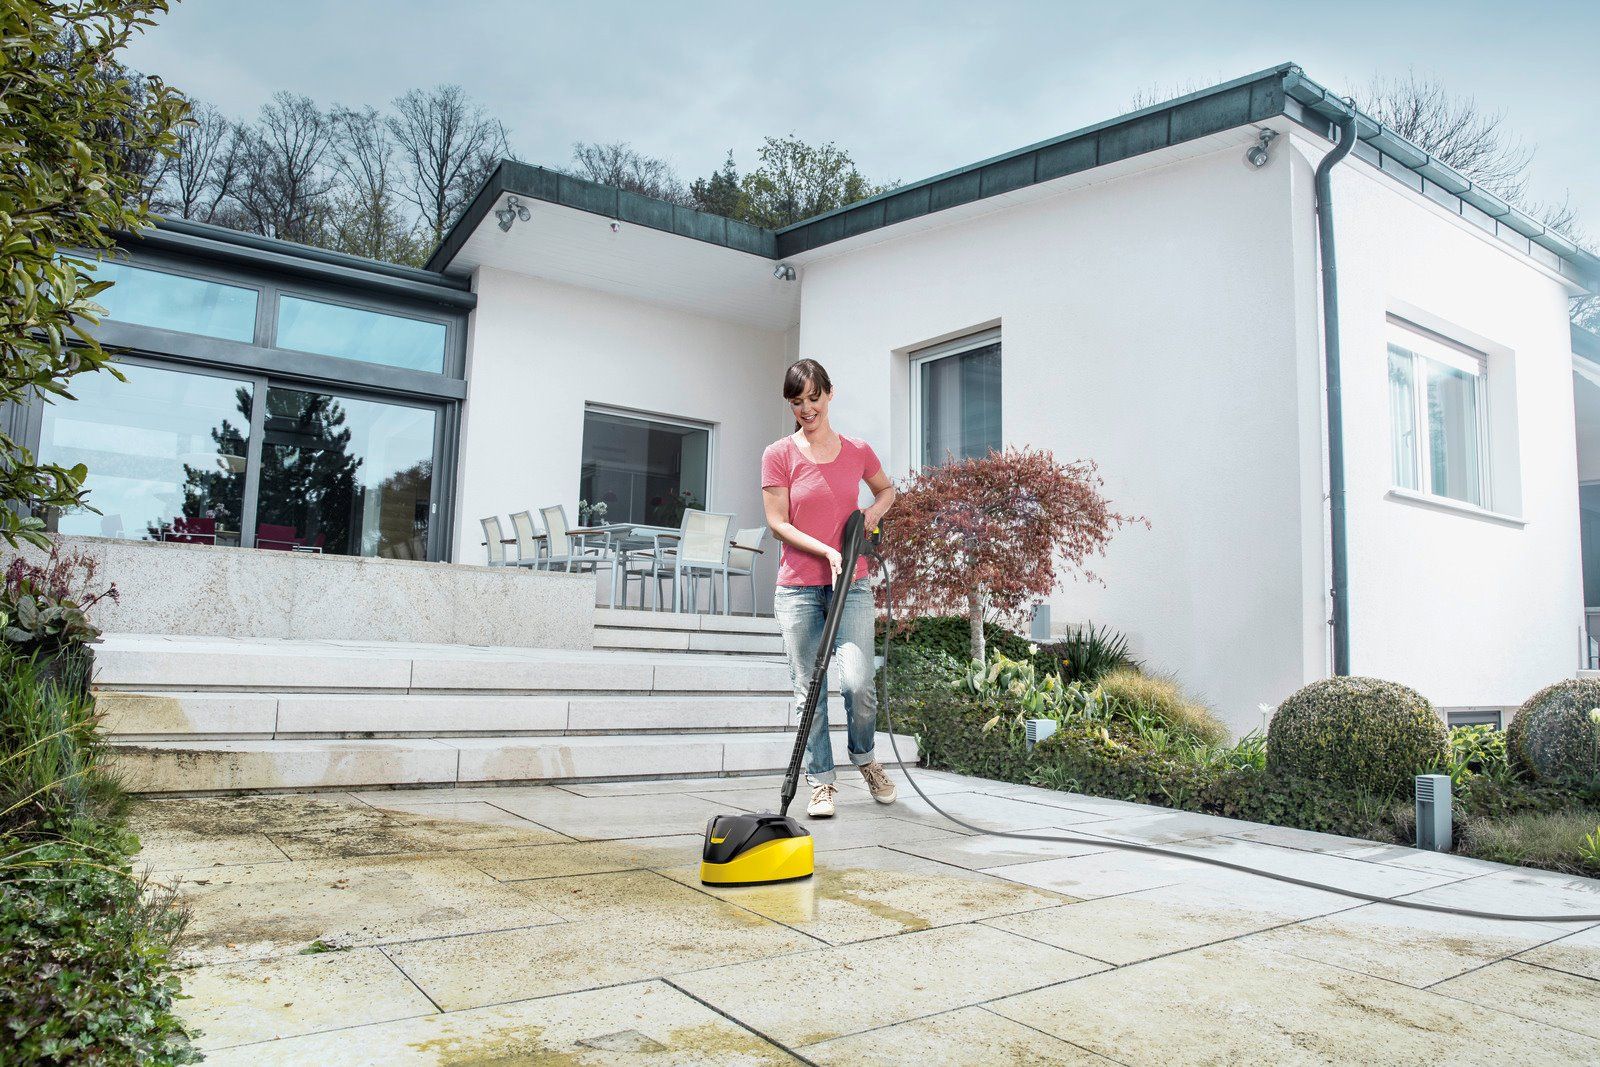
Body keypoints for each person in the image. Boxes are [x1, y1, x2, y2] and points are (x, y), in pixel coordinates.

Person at [761, 358, 898, 818]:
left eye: (814, 398)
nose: (807, 409)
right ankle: (821, 781)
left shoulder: (857, 450)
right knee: (809, 690)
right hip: (799, 589)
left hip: (852, 586)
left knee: (858, 683)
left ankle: (865, 757)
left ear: (830, 394)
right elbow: (777, 522)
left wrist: (868, 519)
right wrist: (827, 551)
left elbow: (886, 491)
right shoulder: (779, 454)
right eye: (797, 402)